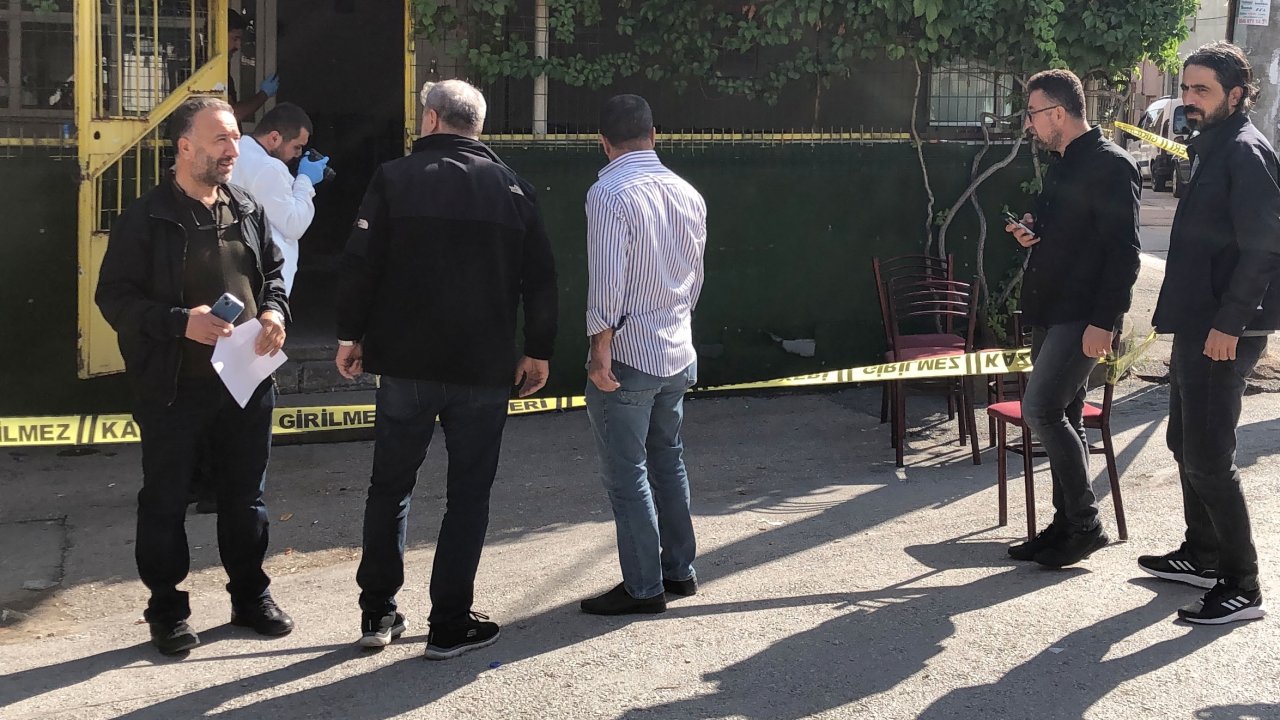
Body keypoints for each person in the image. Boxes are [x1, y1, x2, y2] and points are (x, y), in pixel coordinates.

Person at [334, 79, 558, 658]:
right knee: (469, 495)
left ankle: (377, 612)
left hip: (405, 365)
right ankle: (450, 622)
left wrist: (350, 336)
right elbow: (540, 279)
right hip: (482, 369)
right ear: (477, 125)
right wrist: (537, 349)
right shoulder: (514, 188)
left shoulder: (393, 178)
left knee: (390, 487)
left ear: (431, 119)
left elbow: (361, 263)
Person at [95, 96, 294, 655]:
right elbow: (115, 299)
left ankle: (250, 597)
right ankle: (167, 610)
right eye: (221, 139)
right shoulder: (146, 218)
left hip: (247, 382)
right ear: (185, 147)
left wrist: (275, 313)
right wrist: (183, 322)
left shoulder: (246, 207)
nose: (234, 149)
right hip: (173, 387)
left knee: (246, 498)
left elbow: (275, 275)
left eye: (235, 137)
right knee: (165, 500)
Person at [1141, 41, 1280, 625]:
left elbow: (1264, 248)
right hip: (1197, 323)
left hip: (1224, 331)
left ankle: (1242, 585)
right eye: (1186, 87)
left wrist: (1231, 323)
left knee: (1208, 458)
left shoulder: (1245, 151)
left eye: (1202, 89)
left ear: (1237, 94)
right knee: (1184, 444)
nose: (1189, 99)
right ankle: (1202, 554)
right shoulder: (1211, 145)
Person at [1003, 69, 1141, 568]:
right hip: (1050, 306)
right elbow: (1054, 224)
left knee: (1041, 409)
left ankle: (1085, 524)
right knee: (1067, 413)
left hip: (1083, 314)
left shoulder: (1112, 165)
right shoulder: (1062, 162)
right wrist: (1029, 227)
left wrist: (1106, 321)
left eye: (1033, 114)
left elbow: (1125, 253)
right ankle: (1066, 525)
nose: (1029, 124)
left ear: (1058, 113)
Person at [580, 94, 707, 615]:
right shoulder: (688, 192)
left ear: (603, 143)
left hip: (628, 356)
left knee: (626, 473)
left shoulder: (608, 192)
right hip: (676, 347)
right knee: (668, 461)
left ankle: (643, 587)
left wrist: (599, 350)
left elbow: (607, 283)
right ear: (654, 135)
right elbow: (694, 278)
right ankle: (680, 571)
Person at [230, 101, 329, 296]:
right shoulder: (269, 167)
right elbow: (293, 225)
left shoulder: (238, 151)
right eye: (296, 147)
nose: (298, 154)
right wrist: (305, 180)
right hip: (263, 283)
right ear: (274, 137)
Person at [227, 10, 278, 123]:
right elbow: (231, 115)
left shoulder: (221, 68)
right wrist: (264, 94)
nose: (238, 45)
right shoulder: (205, 69)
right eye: (235, 39)